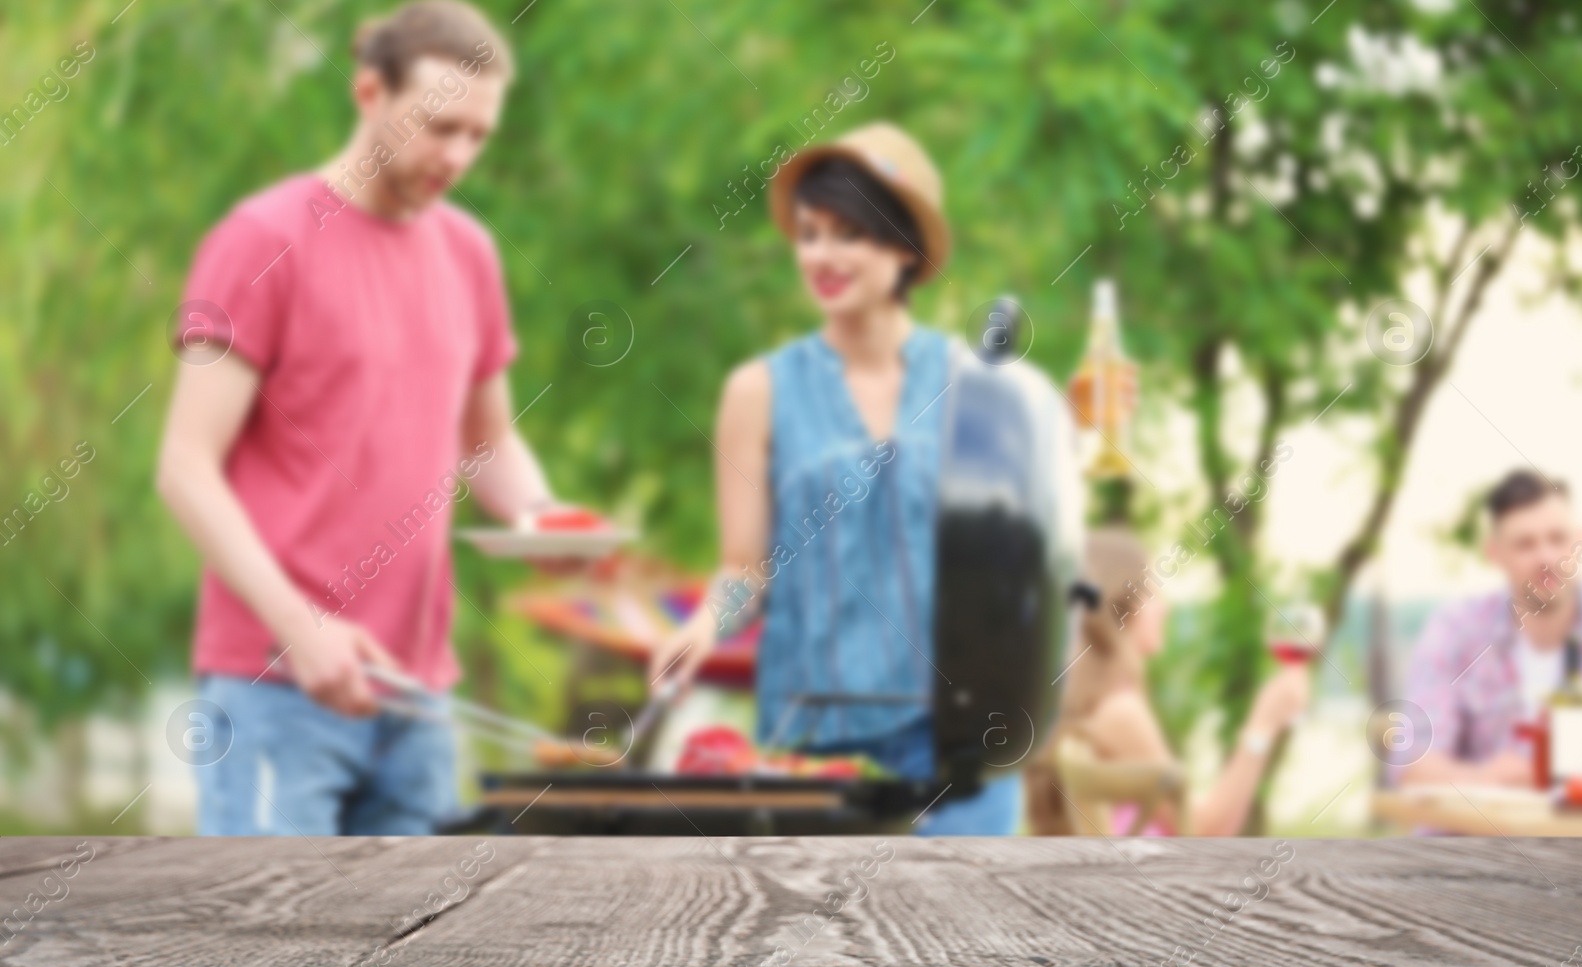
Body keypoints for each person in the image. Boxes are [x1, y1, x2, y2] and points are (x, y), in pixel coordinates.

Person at [157, 1, 567, 835]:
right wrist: (302, 631)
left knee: (415, 961)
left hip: (417, 702)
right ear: (369, 92)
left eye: (477, 136)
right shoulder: (258, 241)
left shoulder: (470, 253)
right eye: (438, 126)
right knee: (269, 958)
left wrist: (545, 519)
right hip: (275, 689)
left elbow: (486, 443)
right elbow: (185, 469)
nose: (457, 156)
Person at [649, 122, 1072, 834]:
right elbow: (743, 571)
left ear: (905, 247)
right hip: (813, 746)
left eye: (849, 234)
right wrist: (700, 627)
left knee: (954, 944)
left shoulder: (975, 387)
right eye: (810, 234)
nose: (822, 255)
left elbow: (1024, 558)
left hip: (953, 745)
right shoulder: (758, 391)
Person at [1025, 528, 1311, 836]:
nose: (1166, 607)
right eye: (1153, 592)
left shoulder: (1085, 702)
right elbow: (1204, 834)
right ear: (1120, 603)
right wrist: (1262, 726)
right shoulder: (1119, 712)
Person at [1397, 470, 1582, 787]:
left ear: (1580, 542)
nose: (1545, 557)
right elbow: (1411, 762)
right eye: (1525, 544)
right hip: (1476, 832)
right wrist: (1487, 778)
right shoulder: (1457, 629)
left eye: (1557, 539)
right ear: (1495, 553)